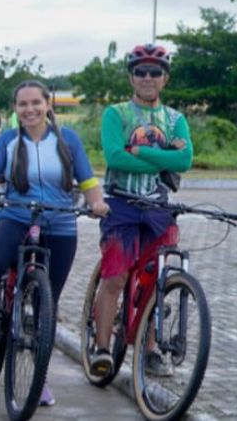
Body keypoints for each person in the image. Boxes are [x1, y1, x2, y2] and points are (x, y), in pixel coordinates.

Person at [0, 81, 105, 407]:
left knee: (47, 305)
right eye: (22, 104)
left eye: (35, 103)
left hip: (60, 221)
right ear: (15, 109)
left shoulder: (67, 139)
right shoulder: (9, 140)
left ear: (47, 104)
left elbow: (87, 181)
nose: (29, 109)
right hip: (17, 216)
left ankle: (38, 380)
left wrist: (97, 203)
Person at [90, 44, 194, 379]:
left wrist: (136, 148)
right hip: (120, 204)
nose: (147, 78)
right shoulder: (116, 114)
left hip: (159, 208)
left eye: (155, 72)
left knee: (155, 280)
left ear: (165, 78)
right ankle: (102, 349)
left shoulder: (176, 119)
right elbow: (114, 158)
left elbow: (185, 161)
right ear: (131, 77)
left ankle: (148, 348)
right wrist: (162, 152)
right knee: (116, 276)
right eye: (140, 71)